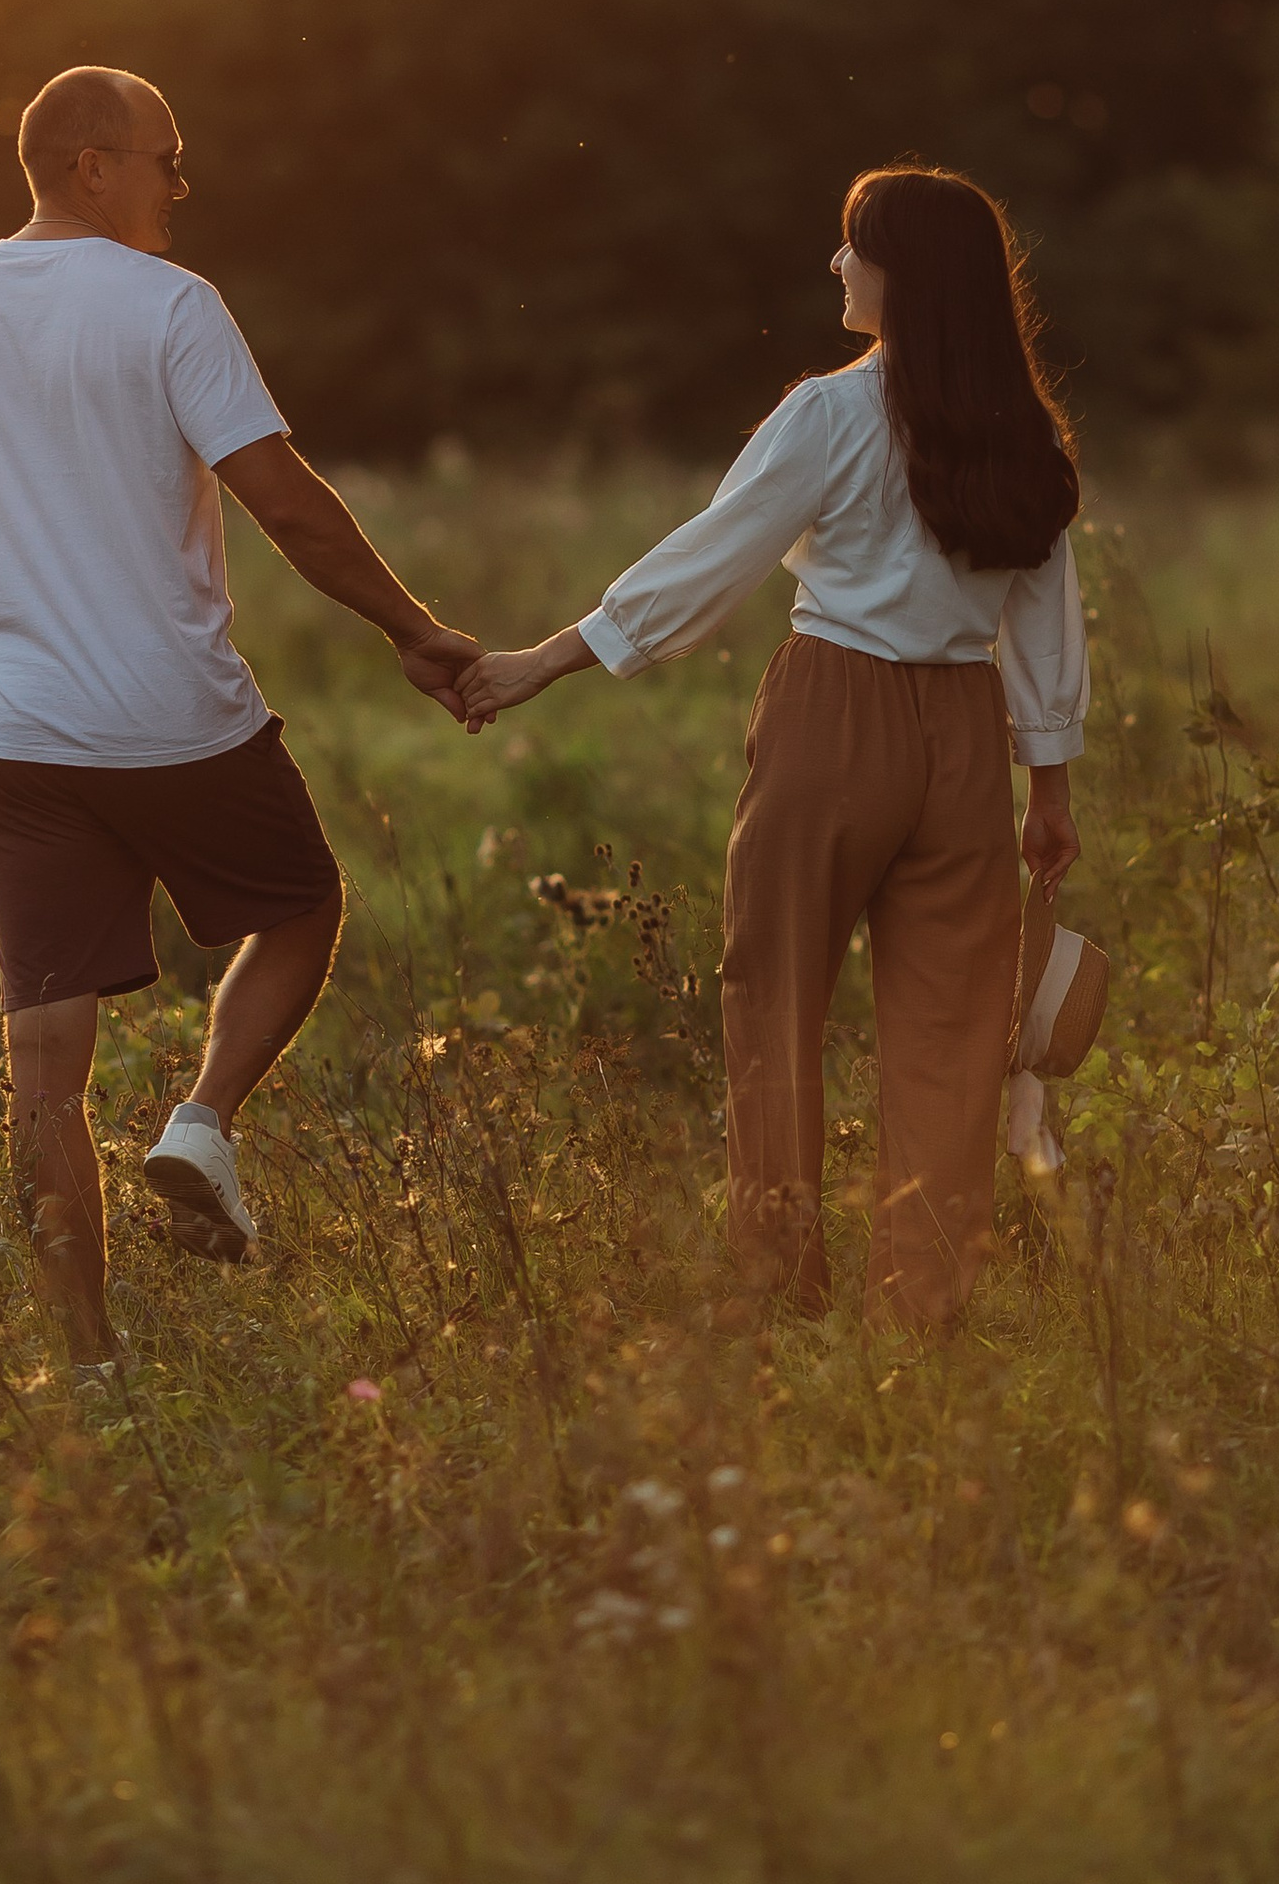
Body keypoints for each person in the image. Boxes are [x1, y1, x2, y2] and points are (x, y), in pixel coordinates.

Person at [0, 66, 482, 1364]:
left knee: (44, 1073)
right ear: (93, 164)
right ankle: (201, 1125)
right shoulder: (171, 309)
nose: (175, 189)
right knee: (304, 908)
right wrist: (415, 631)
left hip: (16, 746)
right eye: (165, 161)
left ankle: (92, 1365)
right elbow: (290, 503)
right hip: (177, 723)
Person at [463, 165, 1088, 1330]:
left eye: (854, 248)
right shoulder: (1024, 429)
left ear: (901, 275)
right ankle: (924, 1309)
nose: (836, 266)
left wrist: (543, 660)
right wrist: (1045, 783)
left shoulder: (830, 411)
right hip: (965, 737)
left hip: (832, 718)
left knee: (776, 993)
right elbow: (1046, 619)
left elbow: (712, 556)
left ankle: (779, 1280)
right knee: (953, 1035)